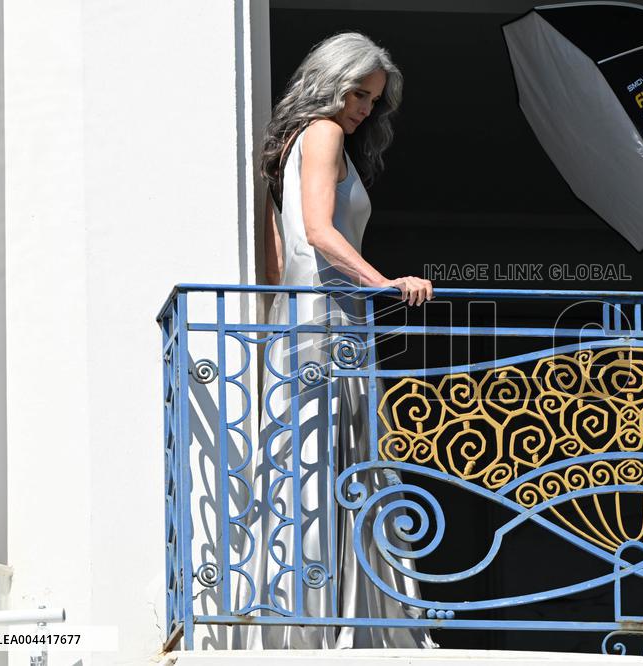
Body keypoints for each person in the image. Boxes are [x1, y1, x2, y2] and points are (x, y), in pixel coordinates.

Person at [239, 32, 435, 649]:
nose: (363, 110)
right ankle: (338, 626)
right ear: (329, 82)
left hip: (312, 324)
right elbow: (321, 231)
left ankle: (311, 618)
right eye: (357, 93)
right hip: (328, 323)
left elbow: (275, 264)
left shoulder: (290, 147)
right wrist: (386, 283)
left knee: (320, 463)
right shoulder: (321, 133)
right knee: (338, 462)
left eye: (373, 101)